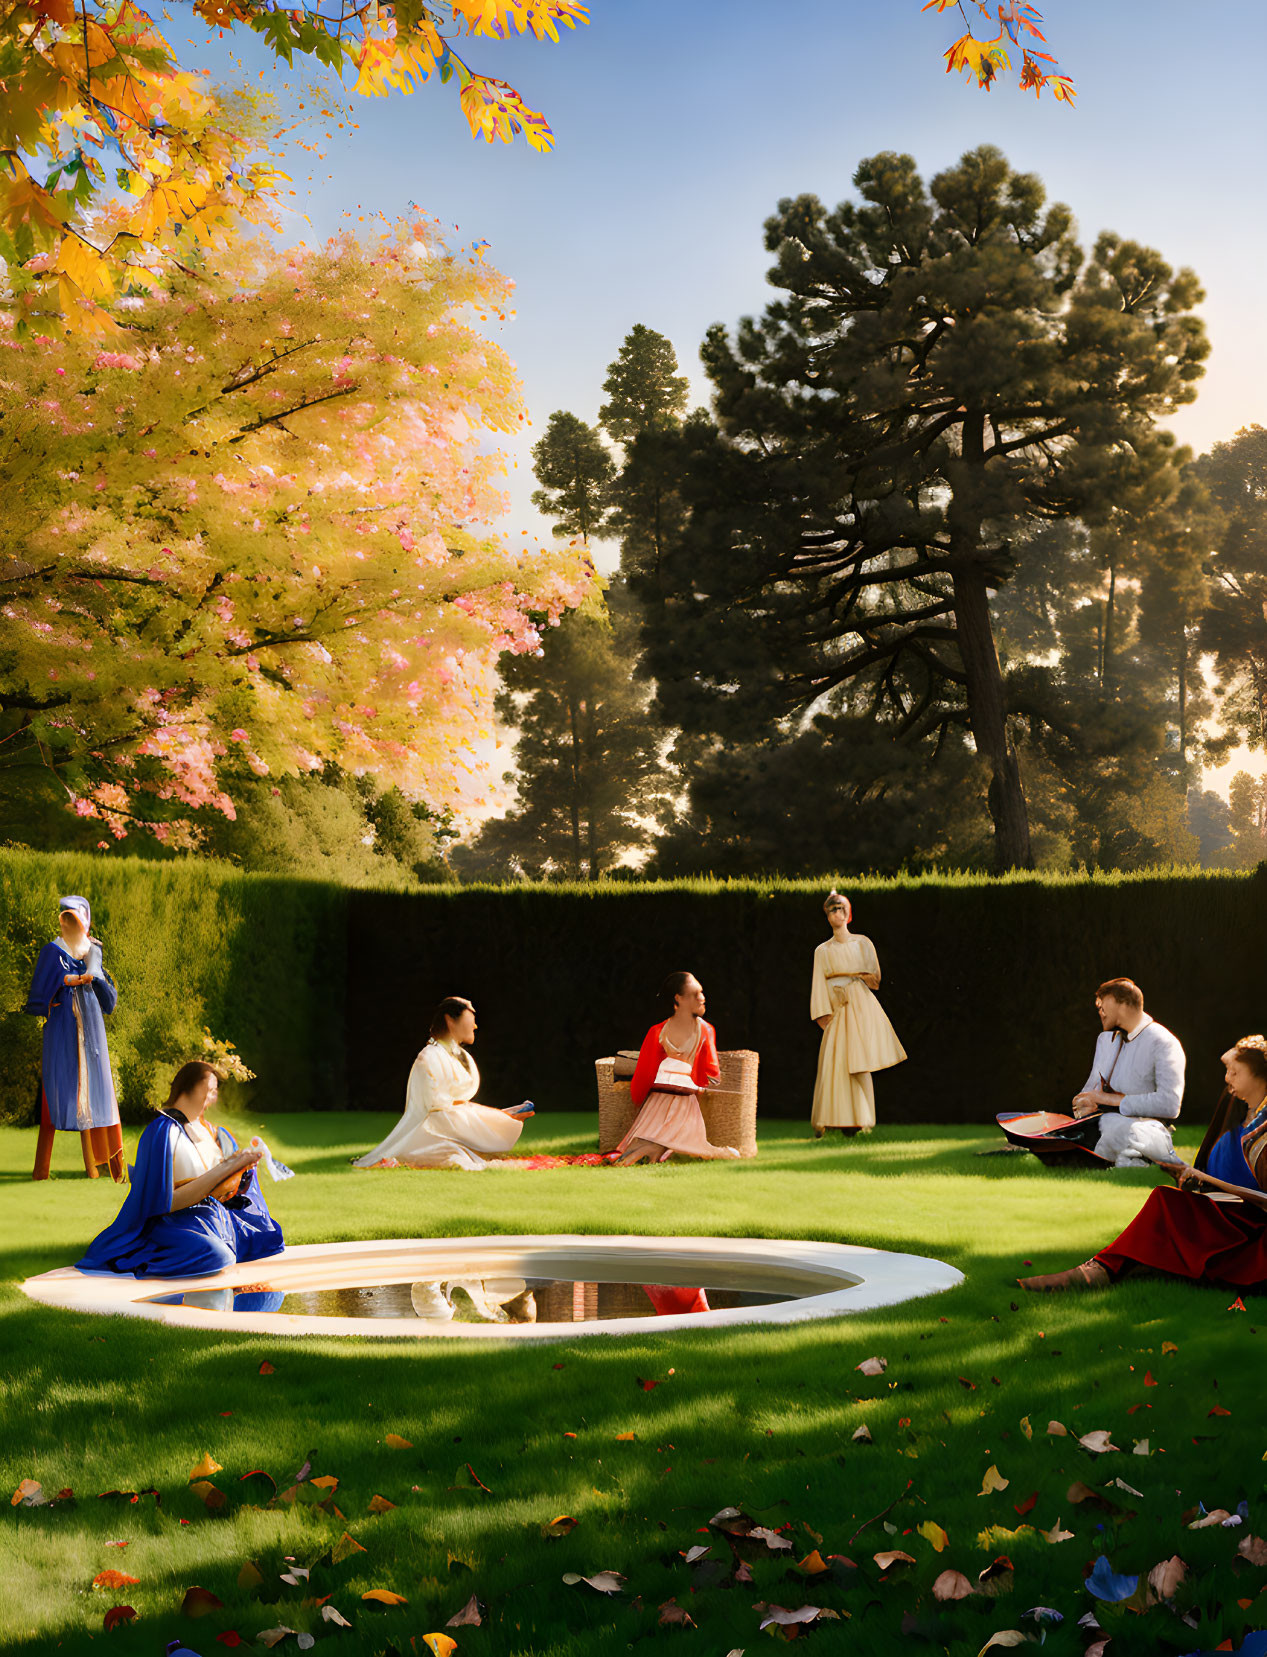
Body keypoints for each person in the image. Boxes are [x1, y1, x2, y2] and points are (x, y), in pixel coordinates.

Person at [1020, 1036, 1267, 1294]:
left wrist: (1207, 1181)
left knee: (1166, 1203)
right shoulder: (1239, 1116)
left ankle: (1102, 1270)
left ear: (1259, 1076)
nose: (1227, 1079)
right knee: (1167, 1200)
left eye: (1235, 1072)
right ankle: (1109, 1266)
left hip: (1254, 1235)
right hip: (1230, 1216)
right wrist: (1191, 1178)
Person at [77, 1062, 284, 1278]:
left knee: (269, 1237)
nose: (212, 1099)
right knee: (217, 1255)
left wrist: (242, 1171)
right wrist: (227, 1168)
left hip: (210, 1215)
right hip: (171, 1222)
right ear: (187, 1088)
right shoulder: (163, 1132)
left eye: (214, 1092)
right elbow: (164, 1204)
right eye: (208, 1091)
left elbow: (225, 1187)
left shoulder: (208, 1130)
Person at [353, 997, 534, 1172]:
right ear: (450, 1020)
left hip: (450, 1125)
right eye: (471, 1019)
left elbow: (457, 1107)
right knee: (454, 1156)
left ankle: (497, 1122)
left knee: (470, 1150)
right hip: (433, 1134)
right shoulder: (428, 1057)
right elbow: (438, 1113)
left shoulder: (455, 1056)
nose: (475, 1026)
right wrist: (496, 1119)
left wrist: (498, 1118)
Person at [25, 894, 124, 1182]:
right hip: (63, 1033)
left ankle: (100, 1165)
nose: (72, 924)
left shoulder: (92, 953)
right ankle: (42, 1169)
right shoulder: (52, 952)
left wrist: (95, 973)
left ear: (85, 923)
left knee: (95, 1093)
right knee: (60, 1090)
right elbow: (43, 986)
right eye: (67, 918)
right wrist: (68, 981)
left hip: (91, 1035)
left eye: (77, 920)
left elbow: (109, 999)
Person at [614, 972, 740, 1166]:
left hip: (656, 1105)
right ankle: (658, 1146)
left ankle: (653, 1145)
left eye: (702, 992)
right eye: (695, 994)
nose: (702, 998)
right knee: (695, 1145)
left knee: (664, 1135)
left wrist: (638, 1097)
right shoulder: (705, 1030)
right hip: (685, 1102)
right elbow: (711, 1074)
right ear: (678, 999)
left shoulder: (658, 1031)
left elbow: (644, 1075)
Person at [809, 892, 906, 1137]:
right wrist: (823, 1013)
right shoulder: (822, 951)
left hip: (859, 1007)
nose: (836, 914)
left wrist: (854, 980)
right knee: (833, 1061)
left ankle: (862, 1120)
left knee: (859, 1063)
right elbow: (818, 983)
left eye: (840, 909)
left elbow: (875, 979)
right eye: (831, 910)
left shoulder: (863, 943)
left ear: (848, 913)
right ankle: (829, 1118)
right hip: (836, 1008)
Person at [1071, 978, 1185, 1167]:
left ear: (1123, 1004)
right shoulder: (1105, 1040)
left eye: (1103, 1003)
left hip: (1144, 1129)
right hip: (1101, 1125)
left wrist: (1110, 1100)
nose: (1099, 1009)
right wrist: (1082, 1103)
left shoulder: (1164, 1042)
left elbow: (1170, 1105)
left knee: (1115, 1128)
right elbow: (1091, 1090)